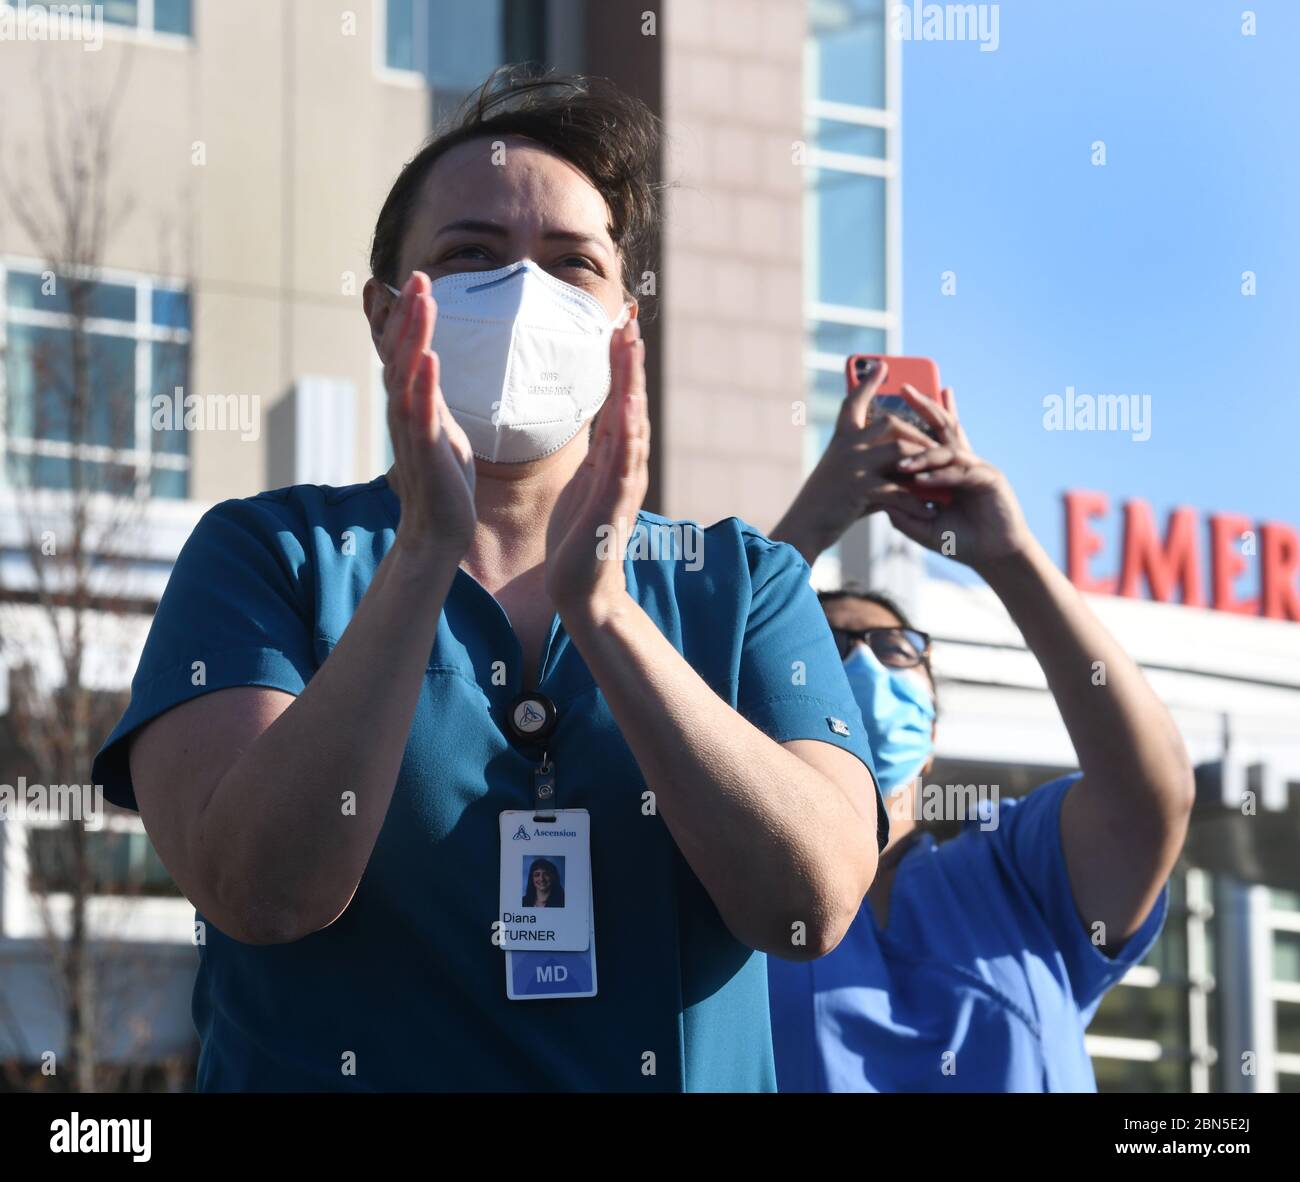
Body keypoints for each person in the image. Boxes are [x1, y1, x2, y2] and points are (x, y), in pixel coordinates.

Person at [91, 69, 888, 1093]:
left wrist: (603, 615)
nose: (523, 296)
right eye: (470, 255)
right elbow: (262, 890)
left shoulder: (743, 583)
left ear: (623, 328)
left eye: (571, 266)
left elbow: (808, 905)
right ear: (386, 315)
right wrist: (422, 559)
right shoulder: (266, 557)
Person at [766, 361, 1195, 1091]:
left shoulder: (1014, 872)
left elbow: (1148, 797)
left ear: (931, 731)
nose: (865, 663)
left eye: (898, 650)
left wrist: (1010, 556)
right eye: (832, 646)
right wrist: (810, 522)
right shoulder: (730, 887)